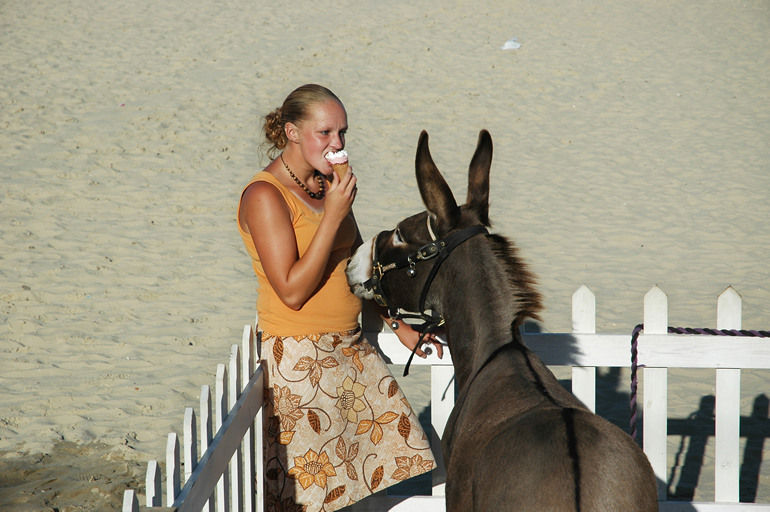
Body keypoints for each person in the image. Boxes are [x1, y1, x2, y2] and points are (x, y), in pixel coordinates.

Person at [237, 84, 443, 511]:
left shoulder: (327, 183)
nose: (337, 144)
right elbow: (292, 291)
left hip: (349, 351)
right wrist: (332, 214)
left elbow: (359, 267)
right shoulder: (264, 195)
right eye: (325, 132)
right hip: (299, 360)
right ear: (292, 132)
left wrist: (400, 326)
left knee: (362, 489)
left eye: (343, 133)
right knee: (316, 499)